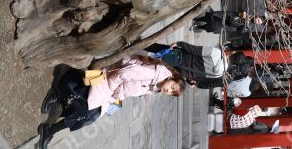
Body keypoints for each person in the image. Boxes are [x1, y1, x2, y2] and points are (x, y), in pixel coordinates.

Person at [37, 56, 184, 149]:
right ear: (172, 78)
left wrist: (115, 97)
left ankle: (50, 128)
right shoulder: (154, 74)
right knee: (88, 113)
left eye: (172, 93)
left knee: (91, 115)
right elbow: (123, 73)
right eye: (172, 87)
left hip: (111, 91)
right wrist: (112, 92)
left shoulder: (155, 86)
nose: (169, 91)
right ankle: (56, 102)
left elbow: (128, 89)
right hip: (107, 78)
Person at [144, 41, 227, 83]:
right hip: (182, 73)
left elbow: (194, 50)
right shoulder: (218, 74)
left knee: (157, 48)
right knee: (156, 69)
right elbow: (200, 78)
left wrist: (180, 43)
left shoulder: (217, 53)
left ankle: (137, 43)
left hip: (180, 57)